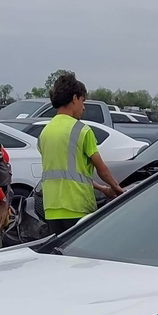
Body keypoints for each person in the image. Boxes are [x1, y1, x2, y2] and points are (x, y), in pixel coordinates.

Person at [38, 73, 124, 234]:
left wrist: (102, 189)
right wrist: (118, 189)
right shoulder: (82, 131)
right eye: (83, 101)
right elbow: (102, 170)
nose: (83, 107)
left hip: (51, 208)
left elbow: (73, 175)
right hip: (78, 207)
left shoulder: (45, 132)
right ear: (74, 98)